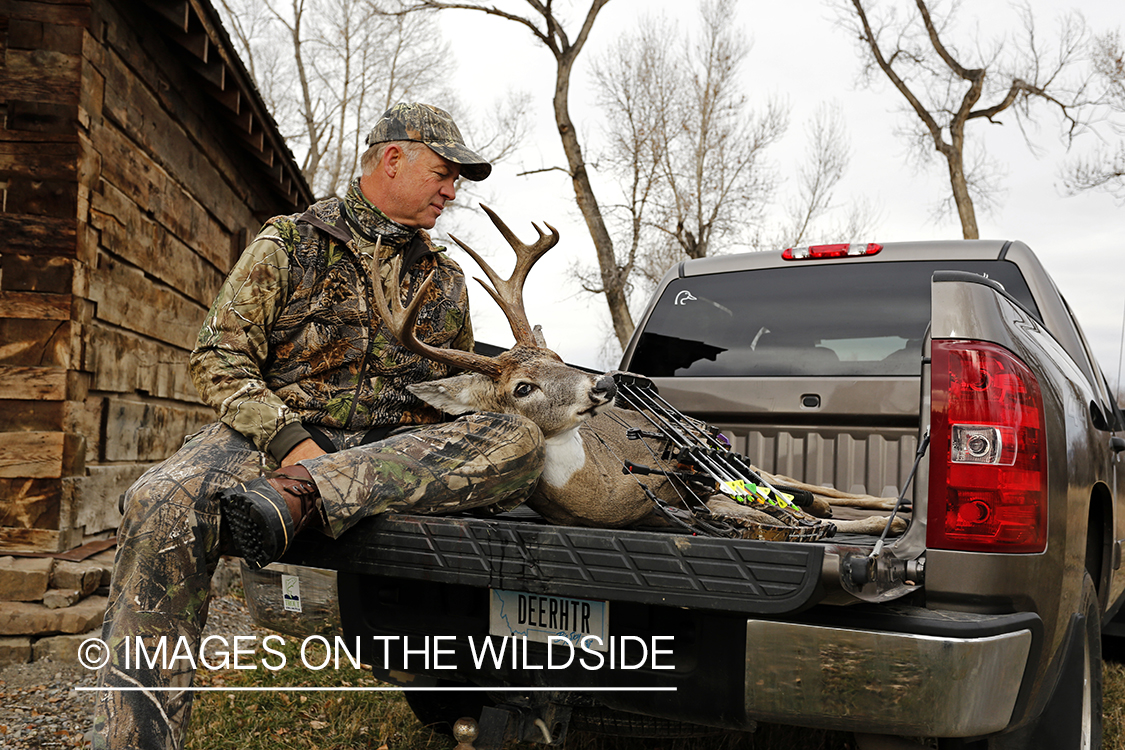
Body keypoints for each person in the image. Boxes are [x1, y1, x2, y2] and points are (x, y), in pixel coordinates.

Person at [92, 103, 546, 749]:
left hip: (389, 451)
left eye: (456, 180)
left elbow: (449, 396)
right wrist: (290, 443)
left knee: (518, 441)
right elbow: (219, 358)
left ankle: (305, 495)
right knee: (156, 501)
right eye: (444, 173)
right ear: (393, 158)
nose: (452, 190)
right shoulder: (290, 242)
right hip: (275, 434)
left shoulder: (443, 277)